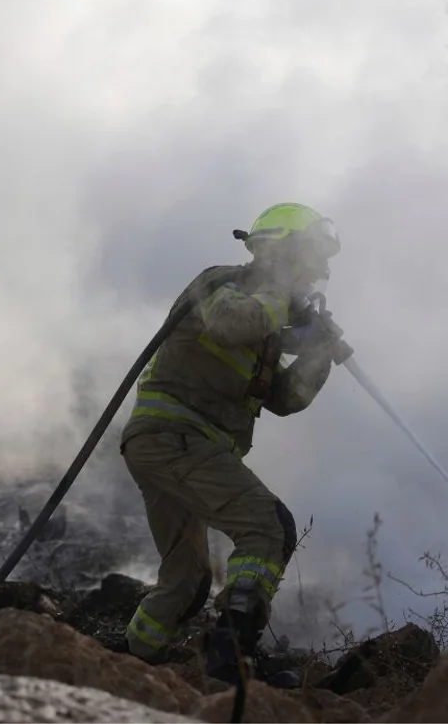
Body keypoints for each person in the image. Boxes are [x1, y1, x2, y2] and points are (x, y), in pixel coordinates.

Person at [117, 202, 346, 688]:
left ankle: (129, 665)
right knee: (269, 528)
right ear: (282, 251)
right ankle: (232, 662)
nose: (318, 273)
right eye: (311, 260)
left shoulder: (265, 319)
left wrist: (319, 352)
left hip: (179, 447)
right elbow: (231, 323)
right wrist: (283, 297)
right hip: (172, 437)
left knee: (189, 580)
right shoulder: (223, 284)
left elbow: (287, 399)